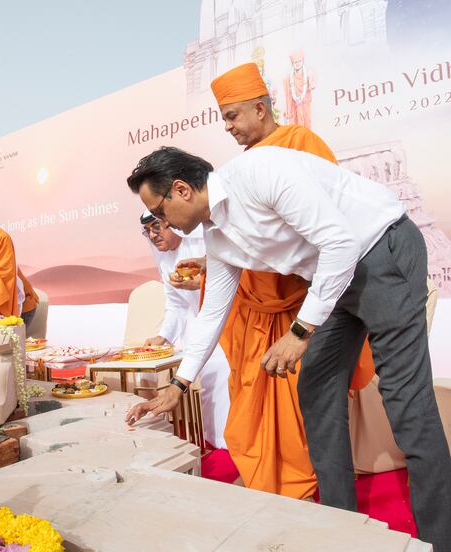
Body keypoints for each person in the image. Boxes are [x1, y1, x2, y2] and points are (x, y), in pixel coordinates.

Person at [124, 145, 451, 550]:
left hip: (381, 252)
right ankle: (342, 527)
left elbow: (340, 243)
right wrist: (178, 384)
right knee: (314, 388)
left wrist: (298, 333)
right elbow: (213, 313)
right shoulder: (218, 236)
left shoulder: (261, 172)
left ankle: (440, 540)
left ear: (181, 190)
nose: (160, 223)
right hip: (333, 281)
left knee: (407, 405)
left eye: (158, 210)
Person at [168, 62, 374, 499]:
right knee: (249, 394)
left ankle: (304, 485)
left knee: (304, 401)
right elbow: (252, 241)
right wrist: (215, 262)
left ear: (261, 109)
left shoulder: (299, 145)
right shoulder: (241, 169)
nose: (227, 127)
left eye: (232, 115)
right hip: (253, 307)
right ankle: (265, 477)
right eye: (223, 117)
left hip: (300, 305)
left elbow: (319, 235)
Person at [141, 210, 231, 449]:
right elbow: (176, 305)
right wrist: (164, 336)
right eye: (147, 231)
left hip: (228, 324)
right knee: (150, 368)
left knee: (218, 367)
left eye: (156, 227)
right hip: (197, 328)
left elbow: (230, 283)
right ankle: (205, 438)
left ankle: (226, 444)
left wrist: (200, 285)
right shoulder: (164, 260)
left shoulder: (204, 244)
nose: (152, 235)